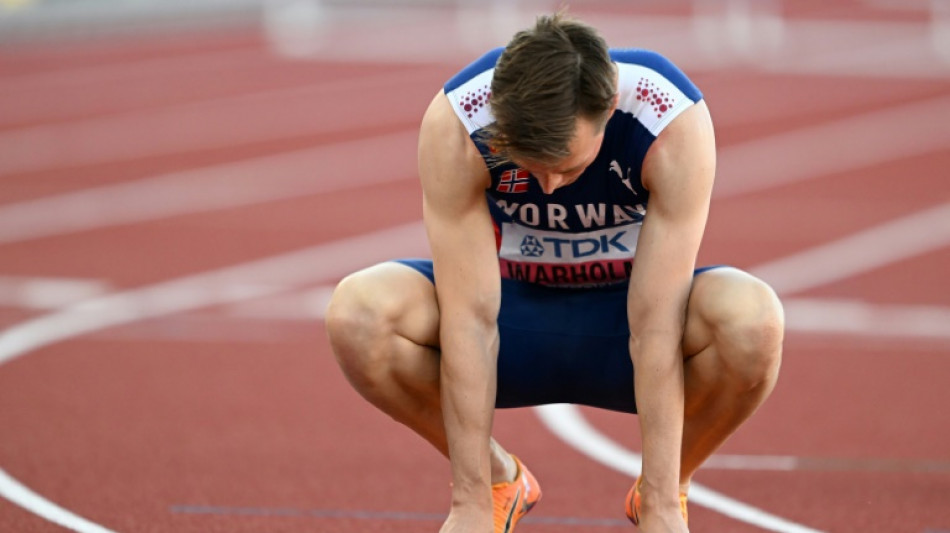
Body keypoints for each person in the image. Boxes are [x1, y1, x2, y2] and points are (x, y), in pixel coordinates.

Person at [326, 11, 783, 533]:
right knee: (358, 313)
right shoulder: (460, 122)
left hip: (626, 321)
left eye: (568, 167)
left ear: (608, 108)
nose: (548, 187)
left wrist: (661, 507)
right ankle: (499, 482)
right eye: (530, 166)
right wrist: (470, 504)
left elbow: (656, 324)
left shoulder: (669, 119)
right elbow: (470, 319)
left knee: (753, 321)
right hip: (511, 315)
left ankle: (665, 488)